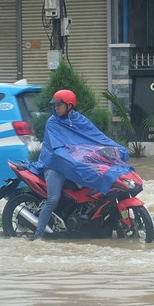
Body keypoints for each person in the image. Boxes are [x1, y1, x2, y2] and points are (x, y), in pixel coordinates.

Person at [31, 89, 129, 241]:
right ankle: (37, 235)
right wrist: (75, 162)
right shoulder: (52, 123)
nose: (56, 108)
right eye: (55, 105)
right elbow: (58, 150)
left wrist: (117, 149)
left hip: (75, 163)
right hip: (55, 165)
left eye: (59, 105)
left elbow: (98, 138)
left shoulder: (80, 120)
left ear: (70, 106)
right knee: (53, 200)